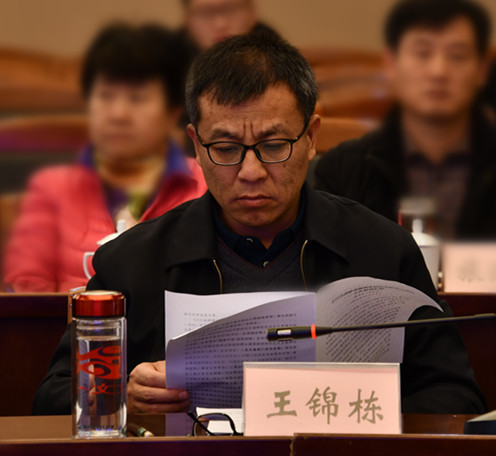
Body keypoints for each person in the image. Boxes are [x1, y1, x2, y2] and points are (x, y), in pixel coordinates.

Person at [33, 33, 486, 416]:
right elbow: (52, 397)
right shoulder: (133, 262)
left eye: (273, 145)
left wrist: (372, 408)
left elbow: (457, 396)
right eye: (226, 148)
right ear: (196, 145)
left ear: (311, 138)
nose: (250, 172)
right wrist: (123, 399)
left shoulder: (383, 250)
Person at [3, 24, 207, 292]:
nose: (118, 114)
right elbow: (26, 293)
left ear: (172, 113)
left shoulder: (204, 185)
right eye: (106, 96)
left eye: (137, 98)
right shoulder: (50, 189)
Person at [314, 0, 496, 240]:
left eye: (457, 55)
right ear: (391, 64)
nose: (439, 71)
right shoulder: (342, 171)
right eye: (423, 53)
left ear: (482, 70)